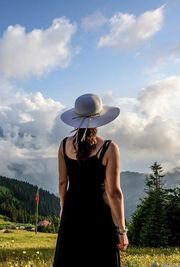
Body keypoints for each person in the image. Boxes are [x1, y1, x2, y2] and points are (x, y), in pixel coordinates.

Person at [53, 93, 128, 267]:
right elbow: (114, 193)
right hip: (98, 215)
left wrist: (64, 208)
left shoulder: (64, 145)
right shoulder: (109, 148)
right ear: (99, 120)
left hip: (72, 214)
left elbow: (62, 182)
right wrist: (122, 230)